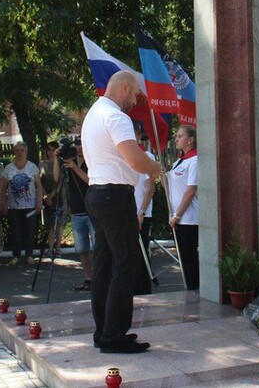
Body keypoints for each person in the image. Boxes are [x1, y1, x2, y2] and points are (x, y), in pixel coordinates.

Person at [81, 70, 162, 353]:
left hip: (98, 194)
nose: (137, 99)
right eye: (136, 93)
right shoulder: (116, 117)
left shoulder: (94, 113)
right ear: (124, 88)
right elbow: (136, 160)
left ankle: (103, 332)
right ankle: (113, 335)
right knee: (126, 263)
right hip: (115, 197)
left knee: (104, 266)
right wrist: (156, 167)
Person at [54, 137, 93, 291]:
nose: (79, 148)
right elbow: (57, 178)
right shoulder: (70, 161)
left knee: (98, 248)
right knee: (82, 249)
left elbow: (90, 181)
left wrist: (75, 168)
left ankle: (101, 278)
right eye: (76, 145)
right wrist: (57, 159)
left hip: (92, 211)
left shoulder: (91, 161)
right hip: (77, 211)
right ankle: (88, 278)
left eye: (81, 145)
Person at [167, 125, 199, 291]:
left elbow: (190, 190)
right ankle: (190, 289)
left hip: (189, 218)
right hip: (177, 218)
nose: (176, 139)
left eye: (180, 136)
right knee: (184, 259)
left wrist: (178, 215)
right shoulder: (179, 161)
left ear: (190, 140)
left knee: (189, 257)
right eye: (176, 136)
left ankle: (194, 290)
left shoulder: (195, 160)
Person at [2, 142, 42, 265]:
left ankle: (29, 255)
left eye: (22, 150)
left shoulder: (32, 167)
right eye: (17, 150)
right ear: (14, 152)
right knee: (15, 231)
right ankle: (16, 255)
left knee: (29, 230)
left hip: (30, 206)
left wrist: (39, 202)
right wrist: (3, 204)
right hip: (14, 206)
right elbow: (3, 188)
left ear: (26, 151)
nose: (19, 153)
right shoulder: (8, 168)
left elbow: (38, 186)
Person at [134, 123, 156, 295]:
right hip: (127, 212)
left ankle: (144, 290)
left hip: (142, 213)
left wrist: (141, 212)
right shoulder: (125, 157)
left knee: (141, 254)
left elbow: (150, 188)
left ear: (139, 135)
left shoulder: (147, 156)